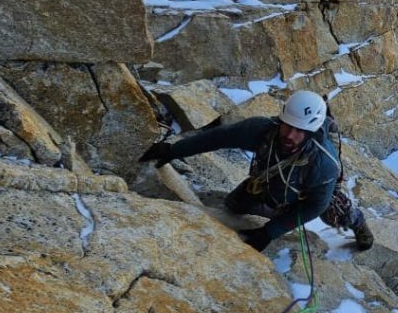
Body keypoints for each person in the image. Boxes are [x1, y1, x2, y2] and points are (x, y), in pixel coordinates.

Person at [139, 90, 374, 252]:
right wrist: (172, 150)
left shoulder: (323, 163)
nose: (290, 136)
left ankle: (358, 224)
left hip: (308, 193)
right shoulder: (262, 131)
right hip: (269, 185)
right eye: (288, 126)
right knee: (234, 207)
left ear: (311, 132)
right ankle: (272, 206)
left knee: (336, 211)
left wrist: (271, 232)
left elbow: (315, 206)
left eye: (299, 131)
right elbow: (217, 138)